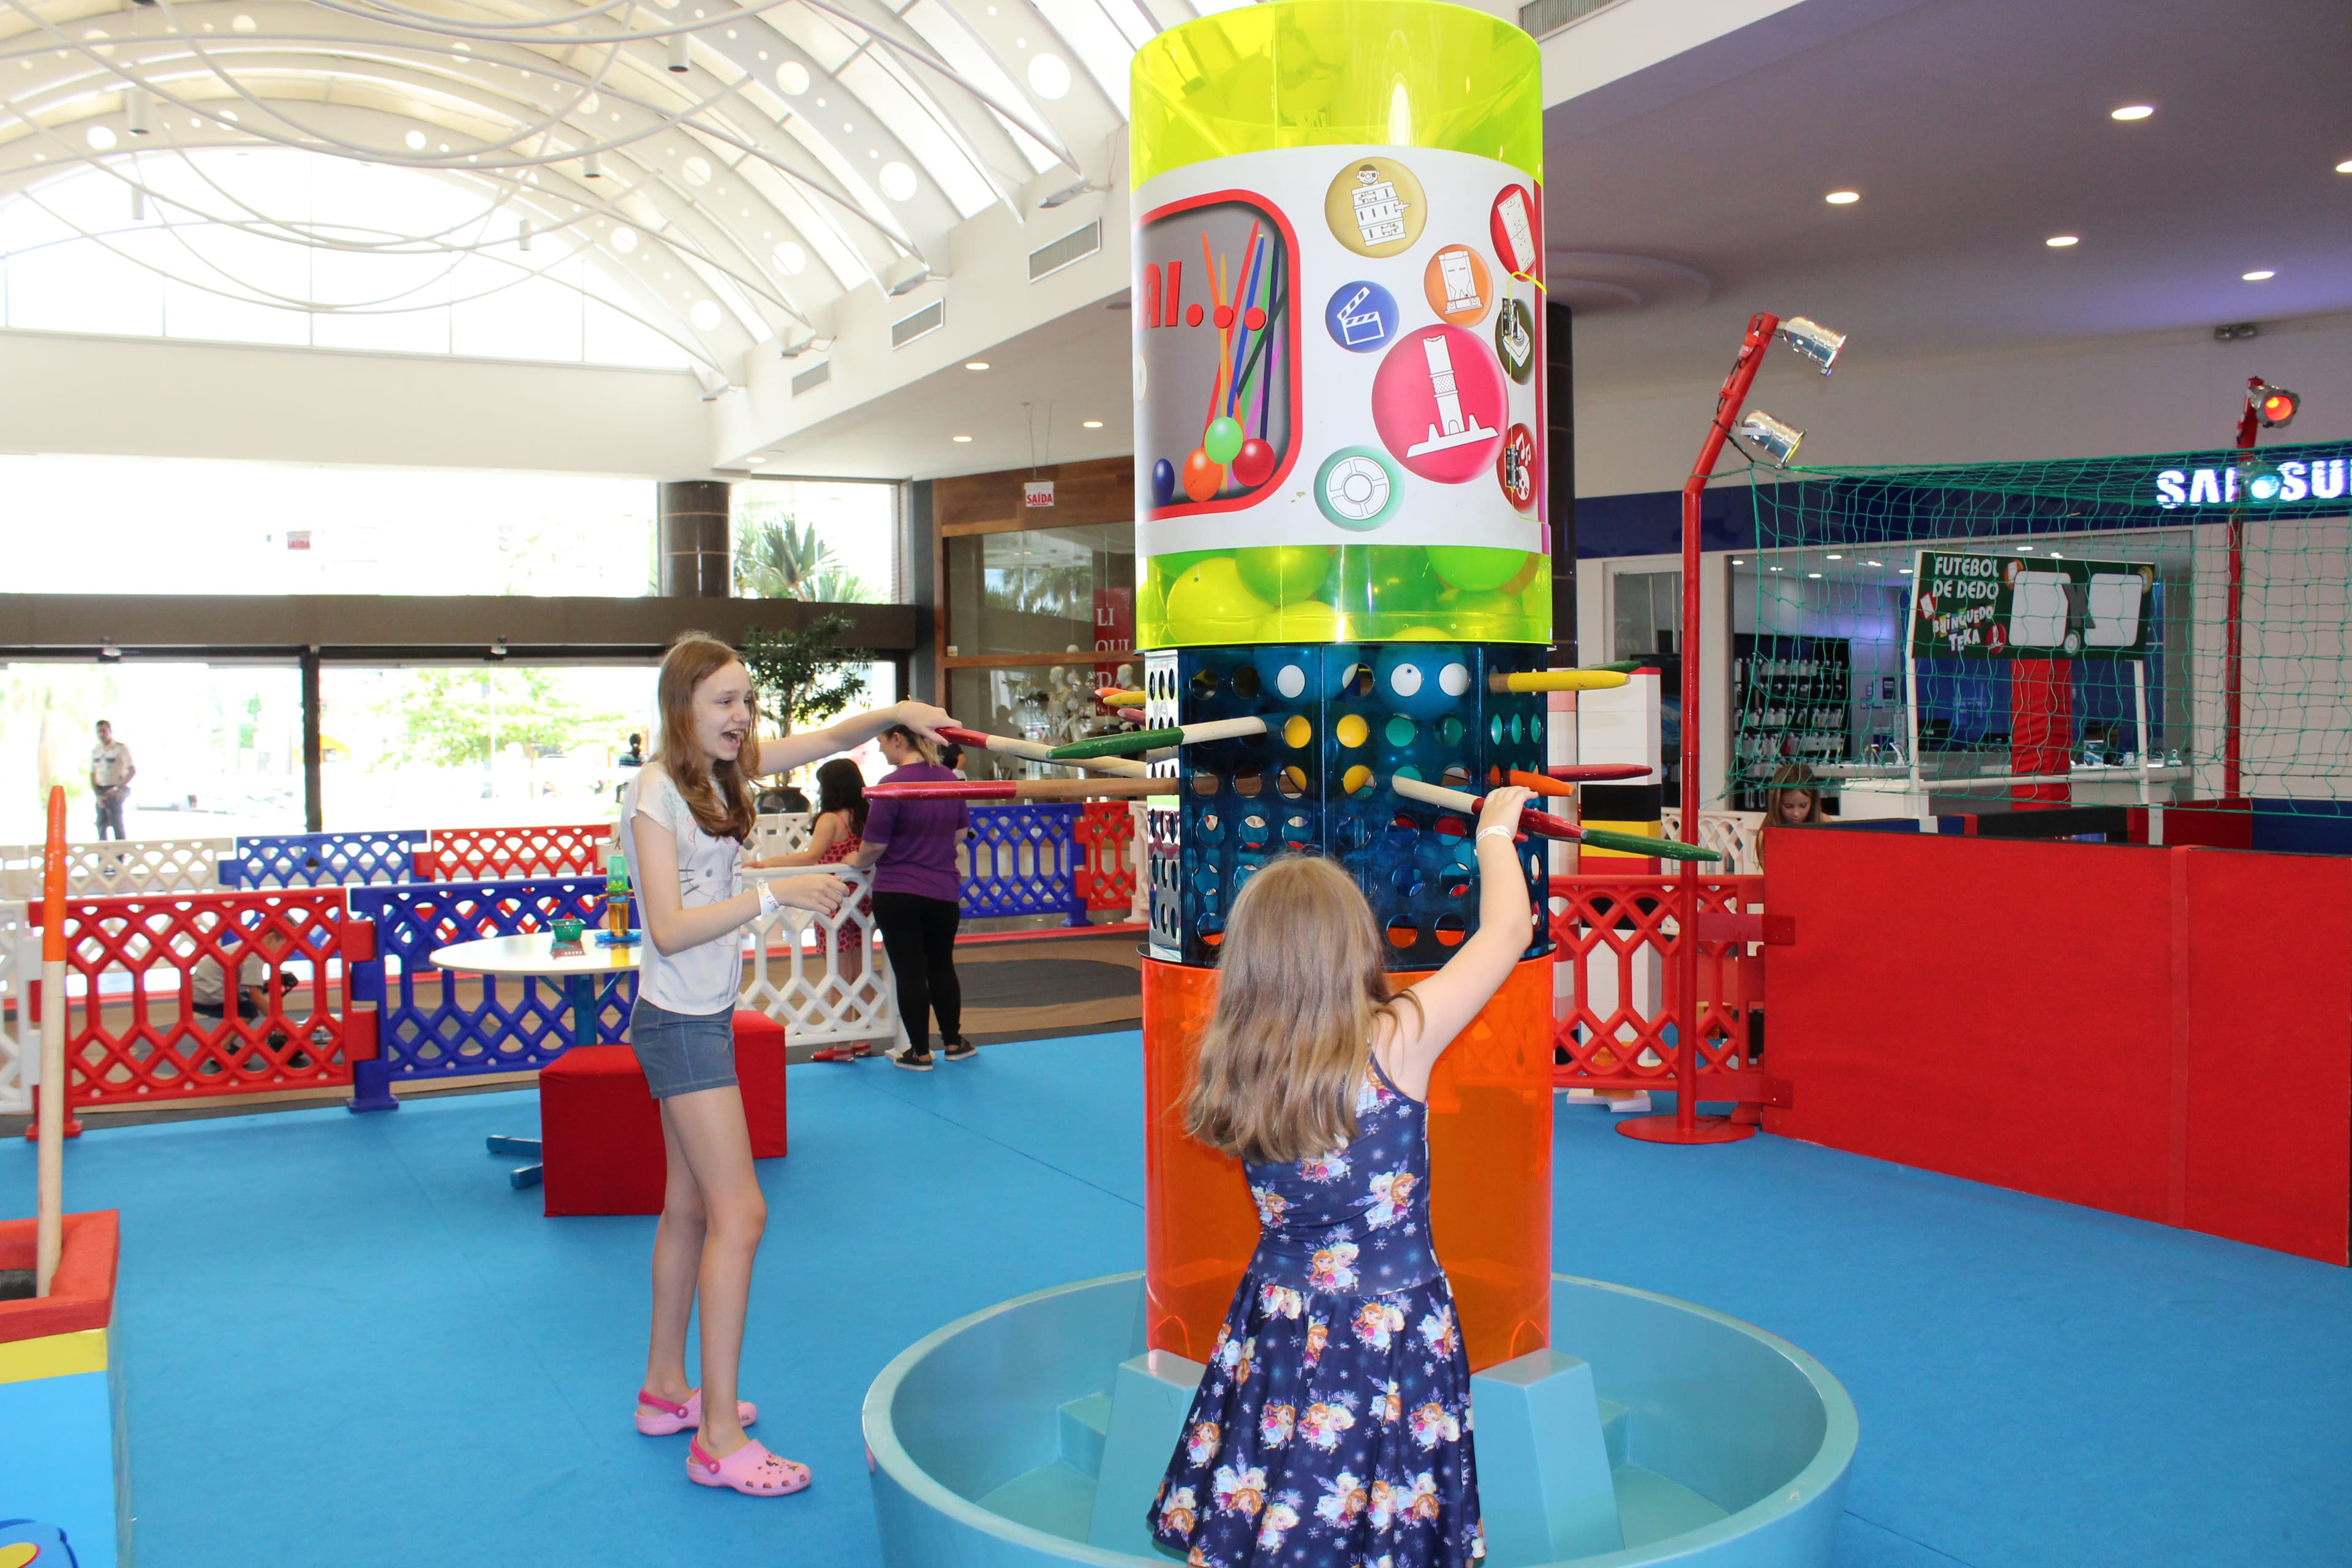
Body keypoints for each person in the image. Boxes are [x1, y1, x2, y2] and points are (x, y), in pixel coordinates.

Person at [1145, 787, 1532, 1568]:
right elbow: (1507, 931)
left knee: (1284, 1477)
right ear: (1354, 945)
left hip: (1280, 1314)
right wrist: (1495, 830)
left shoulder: (1238, 1056)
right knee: (1377, 1500)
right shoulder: (1396, 1037)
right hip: (1388, 1324)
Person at [619, 631, 951, 1497]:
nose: (743, 716)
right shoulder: (655, 791)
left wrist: (896, 711)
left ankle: (666, 1390)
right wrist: (772, 891)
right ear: (684, 705)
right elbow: (668, 926)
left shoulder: (717, 777)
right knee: (743, 1214)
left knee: (689, 1208)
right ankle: (717, 1439)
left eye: (749, 701)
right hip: (680, 1025)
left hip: (696, 1017)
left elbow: (825, 740)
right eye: (726, 701)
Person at [849, 724, 971, 1071]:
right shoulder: (948, 778)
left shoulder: (892, 785)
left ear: (898, 739)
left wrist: (855, 861)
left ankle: (919, 1052)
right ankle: (953, 1041)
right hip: (942, 890)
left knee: (910, 972)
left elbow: (874, 845)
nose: (881, 750)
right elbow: (960, 832)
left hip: (898, 890)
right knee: (942, 966)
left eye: (882, 742)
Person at [752, 757, 874, 1047]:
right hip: (861, 900)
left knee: (838, 973)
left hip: (832, 900)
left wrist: (769, 863)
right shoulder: (865, 815)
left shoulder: (829, 820)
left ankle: (842, 1042)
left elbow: (811, 856)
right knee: (861, 971)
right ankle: (864, 1033)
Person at [89, 720, 135, 840]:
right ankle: (103, 850)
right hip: (101, 790)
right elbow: (93, 774)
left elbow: (132, 771)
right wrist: (97, 795)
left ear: (110, 731)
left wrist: (118, 788)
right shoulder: (97, 750)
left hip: (116, 790)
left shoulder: (121, 749)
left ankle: (121, 850)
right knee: (101, 823)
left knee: (117, 823)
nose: (101, 734)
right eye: (99, 732)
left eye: (104, 731)